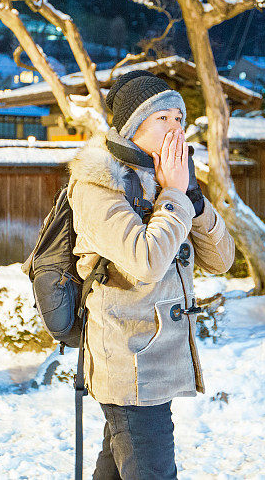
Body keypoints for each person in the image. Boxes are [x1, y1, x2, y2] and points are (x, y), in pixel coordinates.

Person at [66, 70, 235, 479]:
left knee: (119, 465)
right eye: (164, 118)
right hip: (128, 364)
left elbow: (222, 260)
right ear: (133, 126)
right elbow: (145, 260)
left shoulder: (165, 181)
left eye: (180, 118)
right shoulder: (98, 185)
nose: (176, 127)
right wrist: (175, 194)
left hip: (154, 362)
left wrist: (191, 198)